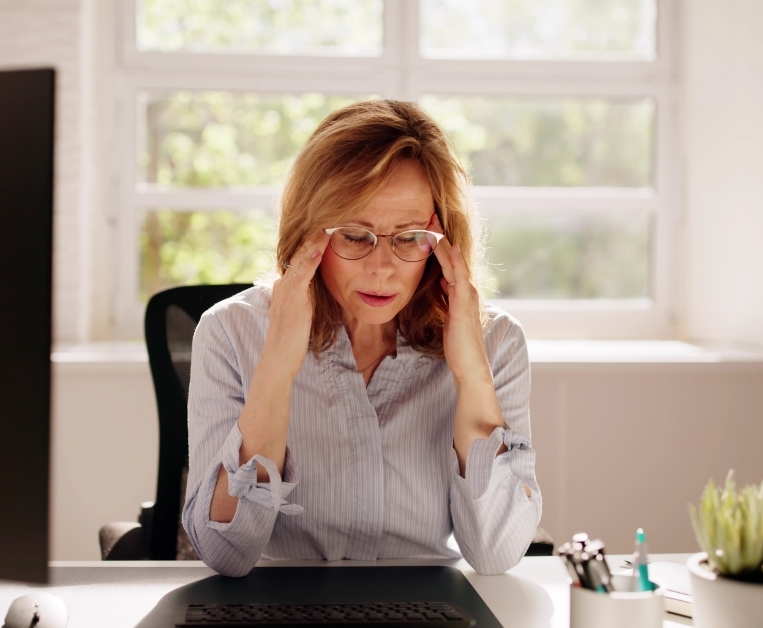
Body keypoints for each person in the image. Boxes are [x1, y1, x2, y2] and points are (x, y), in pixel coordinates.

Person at [181, 100, 541, 577]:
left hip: (428, 605)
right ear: (309, 234)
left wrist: (471, 372)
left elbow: (496, 555)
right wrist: (277, 367)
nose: (381, 267)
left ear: (441, 242)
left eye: (410, 236)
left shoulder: (496, 341)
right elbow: (225, 553)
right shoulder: (230, 332)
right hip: (278, 604)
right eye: (354, 235)